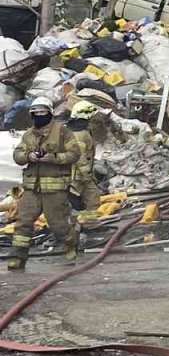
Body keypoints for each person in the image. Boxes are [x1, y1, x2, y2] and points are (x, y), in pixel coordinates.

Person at [8, 99, 83, 271]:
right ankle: (17, 257)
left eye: (43, 112)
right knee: (23, 221)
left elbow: (74, 154)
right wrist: (29, 156)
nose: (40, 115)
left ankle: (72, 243)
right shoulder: (28, 135)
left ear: (50, 112)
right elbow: (17, 154)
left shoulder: (63, 132)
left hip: (55, 190)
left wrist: (53, 158)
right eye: (36, 112)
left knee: (58, 224)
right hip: (31, 188)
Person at [66, 100, 102, 213]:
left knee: (88, 199)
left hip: (77, 175)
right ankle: (88, 223)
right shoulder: (80, 133)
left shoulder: (77, 130)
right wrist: (87, 174)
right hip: (77, 176)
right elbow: (79, 156)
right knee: (92, 200)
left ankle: (87, 222)